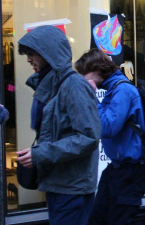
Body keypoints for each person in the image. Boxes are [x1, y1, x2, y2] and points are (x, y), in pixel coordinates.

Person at [16, 26, 101, 225]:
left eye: (32, 53)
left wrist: (39, 154)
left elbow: (88, 137)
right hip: (61, 184)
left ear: (49, 52)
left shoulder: (73, 86)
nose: (28, 59)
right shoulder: (54, 85)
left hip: (72, 188)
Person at [75, 49, 145, 225]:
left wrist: (93, 97)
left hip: (132, 169)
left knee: (121, 220)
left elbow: (108, 127)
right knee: (99, 217)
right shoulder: (113, 89)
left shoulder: (123, 90)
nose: (83, 79)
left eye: (85, 73)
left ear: (98, 69)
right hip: (118, 167)